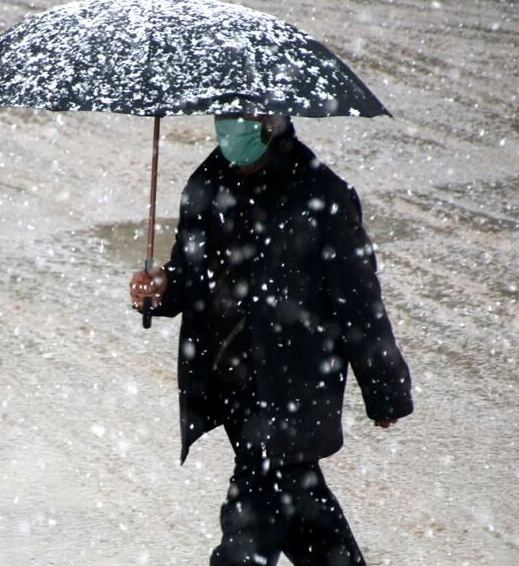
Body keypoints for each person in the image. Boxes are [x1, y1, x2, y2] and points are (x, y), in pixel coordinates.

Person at [128, 113, 414, 566]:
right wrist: (161, 288)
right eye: (225, 115)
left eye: (245, 116)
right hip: (233, 383)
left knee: (250, 528)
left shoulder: (323, 196)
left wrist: (385, 390)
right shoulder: (206, 184)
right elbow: (189, 273)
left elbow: (361, 305)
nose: (231, 127)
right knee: (304, 514)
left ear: (274, 121)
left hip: (295, 386)